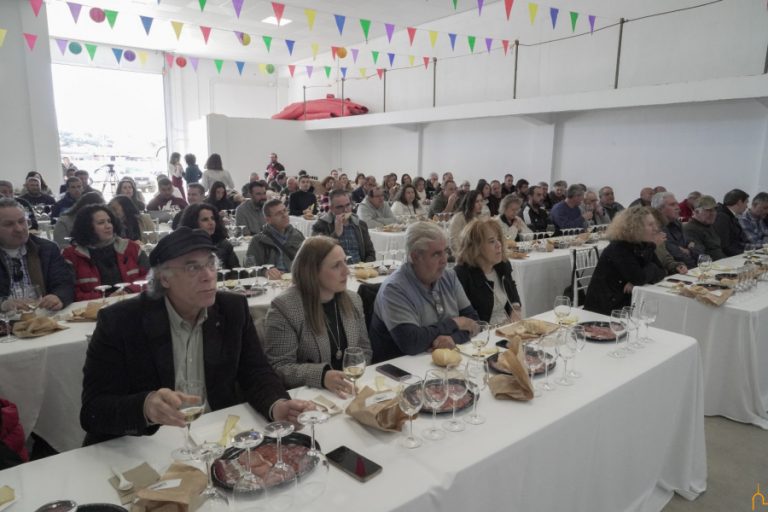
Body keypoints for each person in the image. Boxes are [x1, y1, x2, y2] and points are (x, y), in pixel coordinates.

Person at [80, 227, 314, 445]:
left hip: (216, 435)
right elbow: (92, 410)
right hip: (147, 442)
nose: (208, 275)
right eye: (192, 268)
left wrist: (277, 405)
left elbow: (255, 372)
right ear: (164, 278)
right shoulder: (121, 322)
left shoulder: (232, 309)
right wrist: (145, 407)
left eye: (210, 264)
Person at [264, 237, 371, 396]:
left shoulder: (353, 300)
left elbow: (364, 350)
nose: (347, 271)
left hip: (349, 392)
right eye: (336, 266)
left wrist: (350, 381)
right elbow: (279, 367)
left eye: (345, 262)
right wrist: (322, 376)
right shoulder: (285, 307)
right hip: (309, 397)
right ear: (312, 272)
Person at [369, 222, 478, 362]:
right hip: (400, 371)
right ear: (415, 257)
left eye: (446, 251)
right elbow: (411, 342)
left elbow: (473, 320)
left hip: (442, 362)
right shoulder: (394, 289)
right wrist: (455, 323)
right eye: (436, 254)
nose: (445, 260)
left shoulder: (449, 276)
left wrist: (453, 338)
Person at [583, 206, 666, 315]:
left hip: (625, 303)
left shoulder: (642, 244)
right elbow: (640, 277)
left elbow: (661, 271)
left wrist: (636, 281)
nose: (656, 229)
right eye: (650, 225)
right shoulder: (619, 247)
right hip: (605, 309)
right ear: (636, 227)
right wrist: (653, 248)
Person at [62, 205, 149, 301]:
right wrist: (105, 298)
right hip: (93, 308)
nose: (108, 226)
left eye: (109, 221)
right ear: (87, 227)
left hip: (131, 303)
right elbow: (69, 291)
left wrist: (129, 290)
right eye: (101, 223)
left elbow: (151, 276)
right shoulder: (71, 255)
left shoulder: (131, 248)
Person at [0, 198, 73, 310]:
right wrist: (2, 305)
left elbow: (64, 283)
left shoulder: (47, 249)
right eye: (9, 224)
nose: (19, 229)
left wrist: (58, 297)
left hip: (42, 317)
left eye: (22, 221)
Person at [454, 219, 521, 325]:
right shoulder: (461, 275)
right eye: (491, 241)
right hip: (482, 335)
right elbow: (463, 318)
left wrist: (516, 308)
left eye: (498, 239)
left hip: (507, 328)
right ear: (475, 247)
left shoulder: (502, 265)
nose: (499, 244)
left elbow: (512, 289)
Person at [312, 190, 375, 264]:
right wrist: (336, 234)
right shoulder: (320, 225)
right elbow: (317, 254)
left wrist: (365, 267)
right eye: (340, 207)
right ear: (331, 208)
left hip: (359, 269)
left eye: (348, 205)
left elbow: (370, 253)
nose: (345, 210)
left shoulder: (360, 225)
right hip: (335, 270)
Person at [246, 199, 304, 279]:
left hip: (294, 281)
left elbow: (307, 262)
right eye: (278, 213)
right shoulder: (258, 240)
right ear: (268, 220)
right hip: (271, 283)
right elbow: (249, 267)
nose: (284, 215)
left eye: (285, 211)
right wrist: (265, 272)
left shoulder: (297, 235)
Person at [179, 203, 239, 271]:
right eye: (205, 219)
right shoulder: (184, 249)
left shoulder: (224, 245)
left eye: (213, 218)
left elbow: (237, 273)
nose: (211, 223)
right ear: (193, 223)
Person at [652, 192, 700, 269]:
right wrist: (689, 249)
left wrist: (688, 251)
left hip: (691, 268)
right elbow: (676, 254)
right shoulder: (656, 228)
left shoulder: (677, 223)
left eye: (677, 204)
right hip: (678, 270)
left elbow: (698, 246)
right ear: (660, 209)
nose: (678, 208)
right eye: (672, 205)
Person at [683, 195, 727, 261]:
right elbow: (699, 255)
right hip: (710, 267)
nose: (713, 213)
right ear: (696, 212)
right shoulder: (690, 229)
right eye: (708, 210)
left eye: (714, 209)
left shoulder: (708, 224)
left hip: (722, 262)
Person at [712, 189, 749, 256]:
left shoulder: (730, 215)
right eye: (746, 202)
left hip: (736, 253)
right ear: (739, 202)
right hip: (727, 258)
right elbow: (724, 246)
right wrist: (745, 254)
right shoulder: (722, 217)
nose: (747, 206)